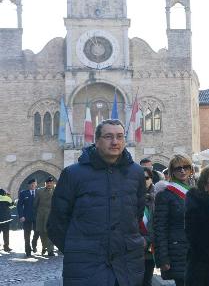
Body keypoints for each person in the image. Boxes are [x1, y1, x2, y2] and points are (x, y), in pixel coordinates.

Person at [47, 119, 146, 286]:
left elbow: (137, 215)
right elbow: (57, 222)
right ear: (97, 141)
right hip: (85, 266)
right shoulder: (72, 174)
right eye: (108, 136)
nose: (115, 142)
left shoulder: (136, 173)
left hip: (126, 266)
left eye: (120, 136)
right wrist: (76, 249)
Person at [153, 154, 194, 286]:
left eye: (186, 167)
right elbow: (160, 228)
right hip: (177, 251)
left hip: (198, 248)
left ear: (191, 169)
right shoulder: (165, 195)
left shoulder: (197, 192)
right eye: (178, 168)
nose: (182, 171)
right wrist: (163, 258)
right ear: (172, 171)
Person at [17, 178, 40, 257]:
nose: (33, 185)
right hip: (26, 217)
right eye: (31, 184)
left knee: (37, 232)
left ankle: (34, 244)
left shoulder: (39, 192)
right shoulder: (23, 193)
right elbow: (19, 205)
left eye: (34, 184)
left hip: (37, 217)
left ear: (36, 184)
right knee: (27, 234)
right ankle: (28, 250)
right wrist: (21, 216)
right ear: (29, 185)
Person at [34, 176, 56, 256]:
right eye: (48, 183)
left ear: (53, 183)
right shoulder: (39, 191)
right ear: (45, 184)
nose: (49, 184)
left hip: (52, 215)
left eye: (51, 183)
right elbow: (35, 203)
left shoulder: (57, 191)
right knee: (42, 232)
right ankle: (44, 246)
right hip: (41, 215)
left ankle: (50, 250)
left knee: (50, 232)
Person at [141, 167, 155, 286]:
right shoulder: (129, 198)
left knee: (147, 280)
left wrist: (149, 240)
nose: (144, 180)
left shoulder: (157, 198)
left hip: (151, 248)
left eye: (147, 178)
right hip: (133, 247)